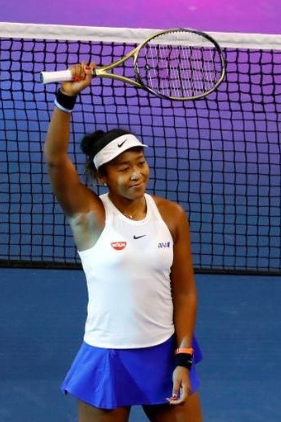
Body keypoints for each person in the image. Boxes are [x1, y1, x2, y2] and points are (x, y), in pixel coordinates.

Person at [44, 62, 203, 422]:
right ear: (102, 176)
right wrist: (66, 99)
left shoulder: (172, 215)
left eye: (140, 163)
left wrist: (183, 357)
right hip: (109, 356)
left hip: (165, 353)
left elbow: (184, 292)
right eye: (123, 168)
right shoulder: (89, 215)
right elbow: (55, 162)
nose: (136, 174)